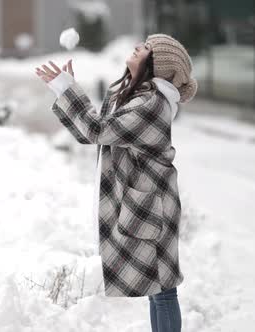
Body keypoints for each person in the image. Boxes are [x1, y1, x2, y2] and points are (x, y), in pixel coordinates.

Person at [35, 33, 197, 332]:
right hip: (147, 202)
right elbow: (99, 128)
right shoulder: (137, 96)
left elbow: (95, 130)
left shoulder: (152, 104)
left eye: (147, 48)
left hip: (152, 205)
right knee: (158, 291)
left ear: (157, 65)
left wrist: (66, 90)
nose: (139, 47)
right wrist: (69, 89)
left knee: (163, 291)